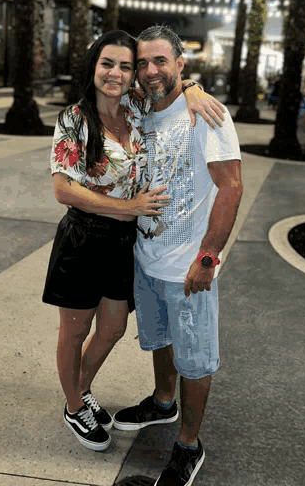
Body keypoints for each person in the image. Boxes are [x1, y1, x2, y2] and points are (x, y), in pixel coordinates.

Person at [42, 30, 227, 453]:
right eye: (108, 64)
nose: (118, 73)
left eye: (126, 66)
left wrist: (195, 87)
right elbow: (64, 190)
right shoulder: (75, 118)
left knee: (112, 328)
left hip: (124, 244)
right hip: (84, 239)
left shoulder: (137, 109)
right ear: (93, 67)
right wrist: (129, 208)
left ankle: (80, 388)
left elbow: (174, 87)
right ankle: (74, 405)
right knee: (74, 331)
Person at [113, 26, 243, 486]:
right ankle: (163, 402)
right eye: (142, 63)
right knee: (161, 339)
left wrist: (208, 258)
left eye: (160, 61)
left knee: (196, 359)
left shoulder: (207, 115)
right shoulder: (141, 110)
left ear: (180, 64)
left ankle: (189, 444)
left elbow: (231, 186)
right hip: (146, 257)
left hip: (189, 266)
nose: (150, 71)